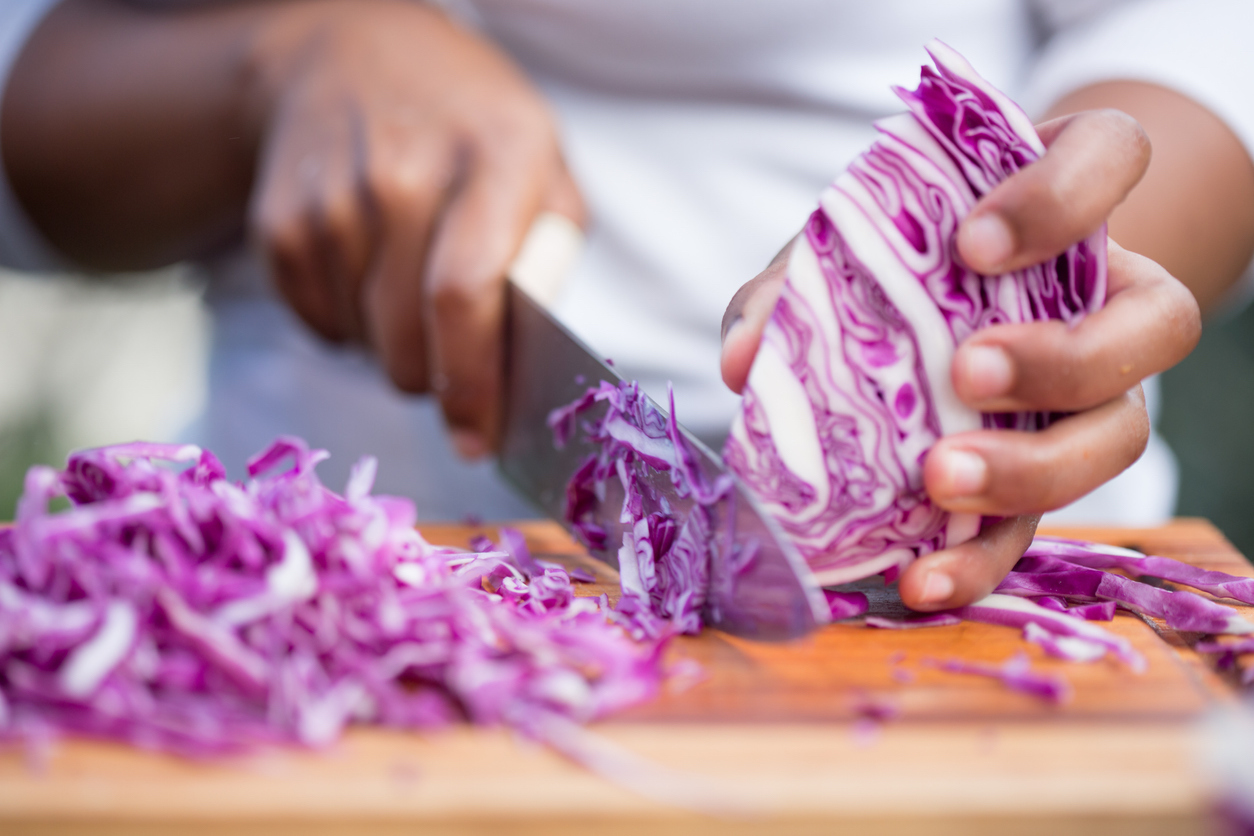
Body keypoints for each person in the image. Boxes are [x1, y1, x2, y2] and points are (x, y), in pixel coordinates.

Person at [0, 0, 1251, 612]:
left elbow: (1202, 37)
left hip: (976, 554)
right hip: (308, 579)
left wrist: (1003, 285)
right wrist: (274, 60)